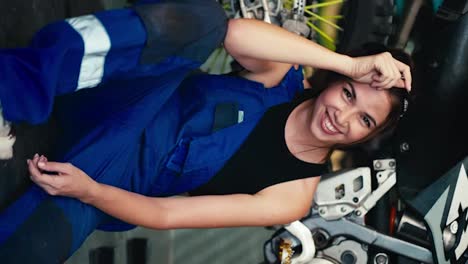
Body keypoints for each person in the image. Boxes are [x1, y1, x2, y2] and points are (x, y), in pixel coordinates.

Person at [0, 0, 412, 263]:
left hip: (108, 177)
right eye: (347, 93)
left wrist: (89, 191)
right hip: (131, 100)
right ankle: (18, 87)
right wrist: (351, 65)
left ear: (365, 138)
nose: (343, 115)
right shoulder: (282, 76)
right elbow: (232, 34)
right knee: (202, 21)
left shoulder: (292, 195)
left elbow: (166, 214)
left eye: (364, 120)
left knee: (29, 249)